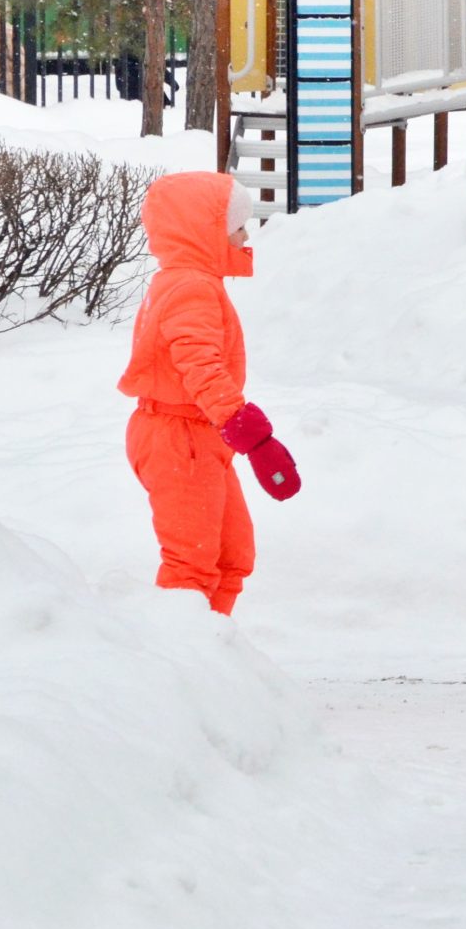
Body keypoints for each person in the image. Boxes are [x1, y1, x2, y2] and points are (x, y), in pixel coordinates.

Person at [117, 172, 302, 614]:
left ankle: (215, 651)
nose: (244, 235)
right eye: (236, 226)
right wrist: (253, 437)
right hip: (178, 437)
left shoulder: (192, 282)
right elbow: (200, 367)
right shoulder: (190, 288)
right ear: (203, 232)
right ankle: (181, 664)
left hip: (200, 436)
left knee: (231, 556)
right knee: (192, 565)